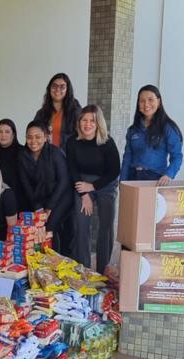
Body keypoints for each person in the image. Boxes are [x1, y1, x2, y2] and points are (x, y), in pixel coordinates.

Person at [66, 105, 120, 273]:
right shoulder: (72, 142)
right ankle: (85, 269)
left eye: (92, 121)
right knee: (82, 225)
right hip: (82, 183)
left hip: (106, 184)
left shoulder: (107, 142)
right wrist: (84, 193)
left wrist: (94, 186)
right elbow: (72, 169)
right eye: (84, 120)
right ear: (79, 122)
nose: (87, 124)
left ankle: (103, 269)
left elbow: (114, 171)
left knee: (106, 225)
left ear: (98, 124)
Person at [18, 121, 72, 255]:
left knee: (49, 228)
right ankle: (42, 262)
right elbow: (26, 185)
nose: (33, 141)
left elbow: (63, 181)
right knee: (38, 227)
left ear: (46, 137)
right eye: (29, 137)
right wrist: (38, 208)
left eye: (37, 137)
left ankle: (55, 263)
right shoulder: (22, 155)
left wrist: (49, 208)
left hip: (61, 197)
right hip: (39, 198)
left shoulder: (55, 153)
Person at [121, 84, 184, 185]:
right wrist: (122, 182)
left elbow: (177, 156)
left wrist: (168, 174)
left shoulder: (168, 128)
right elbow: (127, 158)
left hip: (155, 179)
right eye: (142, 101)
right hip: (133, 178)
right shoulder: (133, 130)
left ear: (158, 102)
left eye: (150, 99)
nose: (146, 104)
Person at [33, 73, 82, 147]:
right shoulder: (41, 113)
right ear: (49, 89)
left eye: (62, 86)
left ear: (67, 89)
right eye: (54, 86)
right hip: (47, 156)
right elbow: (34, 133)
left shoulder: (75, 111)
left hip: (68, 156)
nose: (58, 89)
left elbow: (81, 136)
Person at [0, 119, 24, 192]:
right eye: (0, 132)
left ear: (13, 134)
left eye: (7, 132)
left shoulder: (23, 153)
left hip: (19, 199)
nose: (3, 135)